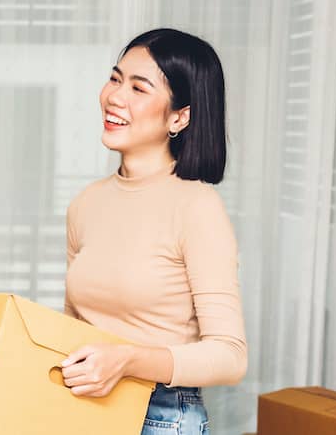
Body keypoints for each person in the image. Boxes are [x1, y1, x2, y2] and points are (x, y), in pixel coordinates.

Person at [60, 28, 247, 434]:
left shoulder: (197, 207)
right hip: (84, 413)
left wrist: (126, 359)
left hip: (160, 415)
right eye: (115, 79)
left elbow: (230, 356)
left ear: (179, 117)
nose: (114, 97)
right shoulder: (85, 204)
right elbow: (73, 326)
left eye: (139, 88)